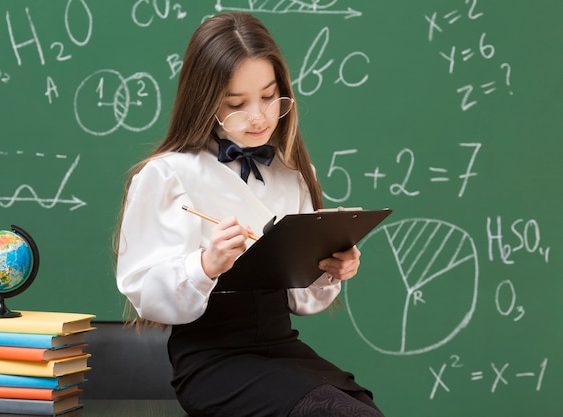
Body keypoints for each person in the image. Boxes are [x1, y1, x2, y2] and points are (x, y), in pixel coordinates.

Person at [115, 11, 385, 417]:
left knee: (362, 409)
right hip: (212, 360)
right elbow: (143, 292)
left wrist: (329, 266)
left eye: (269, 96)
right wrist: (206, 264)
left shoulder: (293, 172)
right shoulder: (168, 174)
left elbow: (303, 301)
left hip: (279, 346)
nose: (259, 116)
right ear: (205, 101)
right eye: (237, 104)